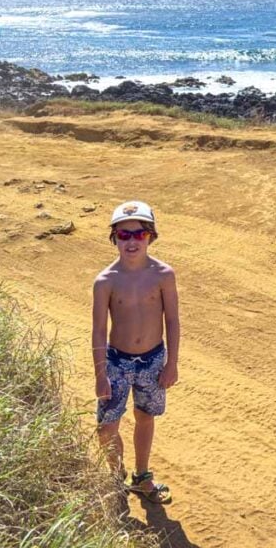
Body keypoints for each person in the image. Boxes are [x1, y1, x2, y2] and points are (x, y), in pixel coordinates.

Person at [92, 200, 180, 505]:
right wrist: (100, 374)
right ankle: (116, 478)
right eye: (124, 235)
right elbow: (99, 331)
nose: (131, 241)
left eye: (139, 234)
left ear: (151, 236)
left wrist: (172, 364)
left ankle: (142, 477)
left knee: (145, 416)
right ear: (114, 238)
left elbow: (172, 320)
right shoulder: (105, 281)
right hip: (116, 361)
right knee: (106, 427)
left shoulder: (163, 274)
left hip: (153, 360)